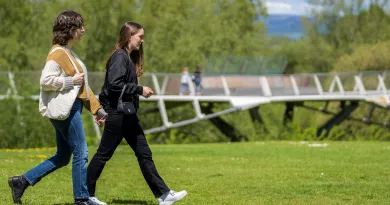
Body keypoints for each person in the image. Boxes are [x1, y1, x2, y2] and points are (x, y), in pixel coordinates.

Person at [7, 10, 106, 205]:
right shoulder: (58, 54)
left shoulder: (69, 53)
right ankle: (82, 199)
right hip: (67, 111)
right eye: (80, 27)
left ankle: (21, 181)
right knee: (81, 151)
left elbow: (83, 86)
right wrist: (70, 81)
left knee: (62, 157)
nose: (83, 30)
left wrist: (98, 109)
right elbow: (45, 81)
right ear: (70, 30)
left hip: (70, 108)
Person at [87, 22, 187, 205]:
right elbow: (113, 85)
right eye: (139, 36)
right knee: (104, 154)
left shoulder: (126, 57)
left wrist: (101, 107)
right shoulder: (119, 57)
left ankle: (164, 195)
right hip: (118, 114)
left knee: (144, 153)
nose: (142, 40)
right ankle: (85, 195)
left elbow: (107, 87)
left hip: (127, 114)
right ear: (129, 36)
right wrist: (139, 89)